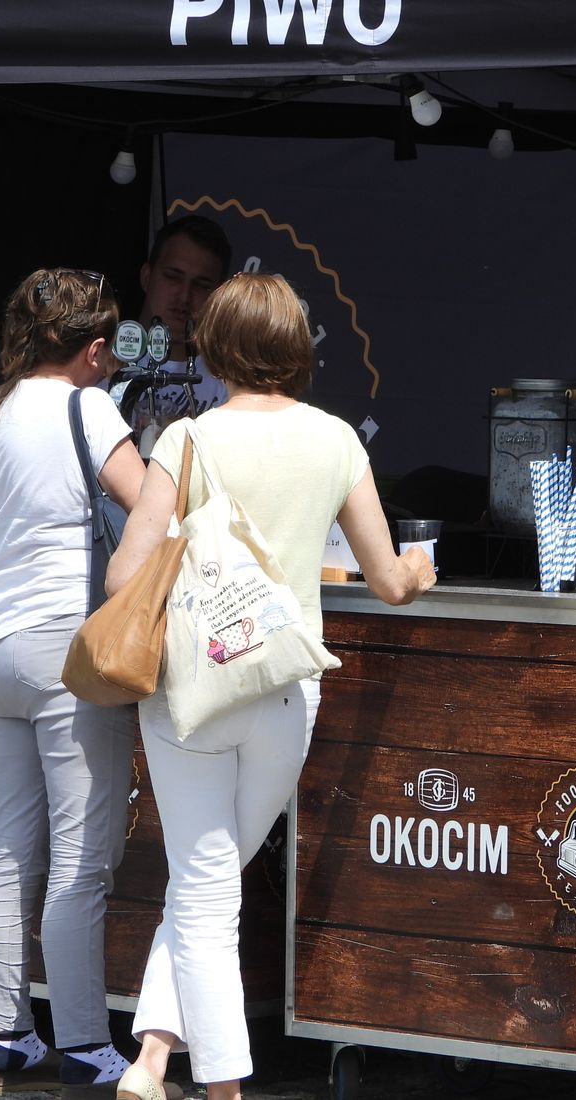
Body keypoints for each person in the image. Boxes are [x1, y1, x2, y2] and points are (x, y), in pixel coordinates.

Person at [103, 273, 437, 1100]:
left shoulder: (186, 440)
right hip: (287, 691)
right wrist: (419, 568)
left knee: (204, 885)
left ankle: (206, 1080)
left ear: (213, 350)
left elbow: (122, 579)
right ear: (296, 348)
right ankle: (160, 1062)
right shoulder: (335, 441)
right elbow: (388, 582)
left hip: (191, 691)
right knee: (209, 879)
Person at [0, 268, 165, 1097]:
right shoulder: (89, 407)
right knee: (82, 861)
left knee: (7, 848)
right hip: (66, 654)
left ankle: (6, 1034)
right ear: (96, 348)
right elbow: (153, 508)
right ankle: (84, 1044)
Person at [126, 216, 232, 445]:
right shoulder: (98, 359)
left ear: (218, 295)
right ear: (146, 277)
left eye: (202, 285)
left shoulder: (231, 379)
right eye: (173, 277)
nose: (184, 296)